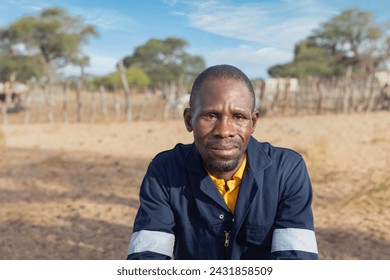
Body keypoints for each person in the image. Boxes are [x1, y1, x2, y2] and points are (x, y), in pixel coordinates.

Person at [127, 64, 318, 260]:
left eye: (238, 117)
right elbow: (147, 260)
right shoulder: (166, 171)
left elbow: (297, 262)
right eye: (210, 115)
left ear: (253, 122)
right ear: (188, 120)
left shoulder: (286, 171)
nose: (224, 130)